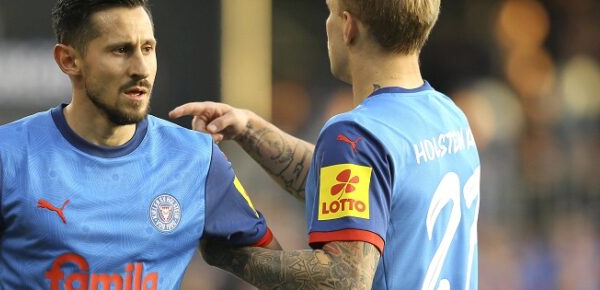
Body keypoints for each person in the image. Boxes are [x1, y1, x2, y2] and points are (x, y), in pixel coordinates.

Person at [0, 0, 278, 289]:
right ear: (69, 60)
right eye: (121, 50)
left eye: (148, 48)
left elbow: (278, 270)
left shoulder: (196, 160)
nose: (141, 67)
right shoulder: (2, 156)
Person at [170, 0, 481, 289]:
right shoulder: (449, 116)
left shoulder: (354, 135)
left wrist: (229, 255)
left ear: (348, 27)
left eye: (330, 11)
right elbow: (359, 192)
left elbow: (345, 277)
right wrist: (250, 129)